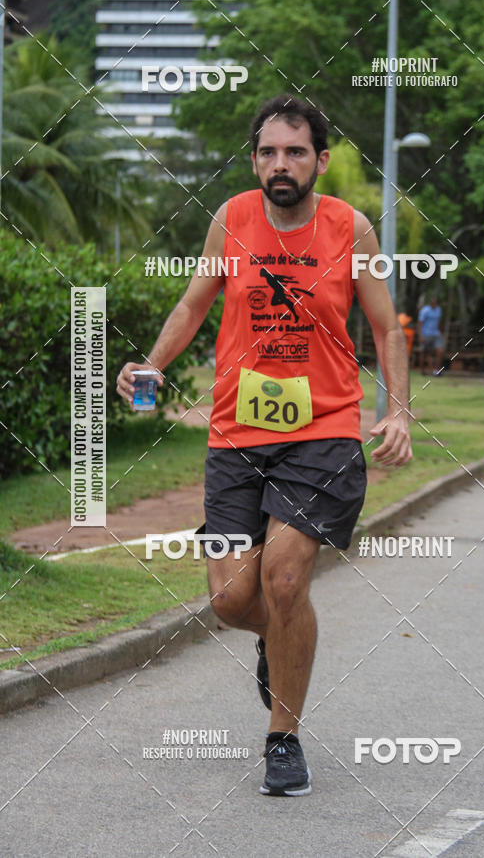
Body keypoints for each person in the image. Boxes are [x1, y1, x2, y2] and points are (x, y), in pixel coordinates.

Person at [116, 94, 412, 796]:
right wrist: (154, 364)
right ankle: (274, 641)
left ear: (321, 160)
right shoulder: (233, 218)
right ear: (255, 160)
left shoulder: (350, 228)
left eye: (296, 151)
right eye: (269, 152)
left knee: (283, 578)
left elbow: (386, 327)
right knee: (229, 600)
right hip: (236, 435)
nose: (282, 164)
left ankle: (283, 737)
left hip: (324, 429)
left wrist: (397, 410)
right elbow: (193, 303)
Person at [418, 295, 444, 375]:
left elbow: (439, 322)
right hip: (426, 334)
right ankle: (422, 370)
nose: (434, 304)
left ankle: (437, 371)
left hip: (436, 334)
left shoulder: (439, 310)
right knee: (424, 352)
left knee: (440, 350)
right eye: (433, 303)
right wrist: (420, 335)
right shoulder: (425, 310)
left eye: (435, 303)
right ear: (430, 303)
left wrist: (440, 332)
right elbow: (420, 323)